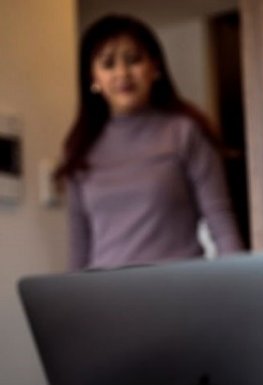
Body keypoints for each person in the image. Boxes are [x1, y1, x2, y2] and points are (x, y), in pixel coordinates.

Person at [54, 14, 244, 270]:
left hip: (177, 291)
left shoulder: (184, 132)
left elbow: (219, 219)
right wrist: (70, 305)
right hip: (104, 298)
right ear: (93, 78)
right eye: (108, 64)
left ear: (155, 67)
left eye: (133, 59)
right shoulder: (79, 148)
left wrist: (239, 288)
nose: (122, 73)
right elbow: (79, 245)